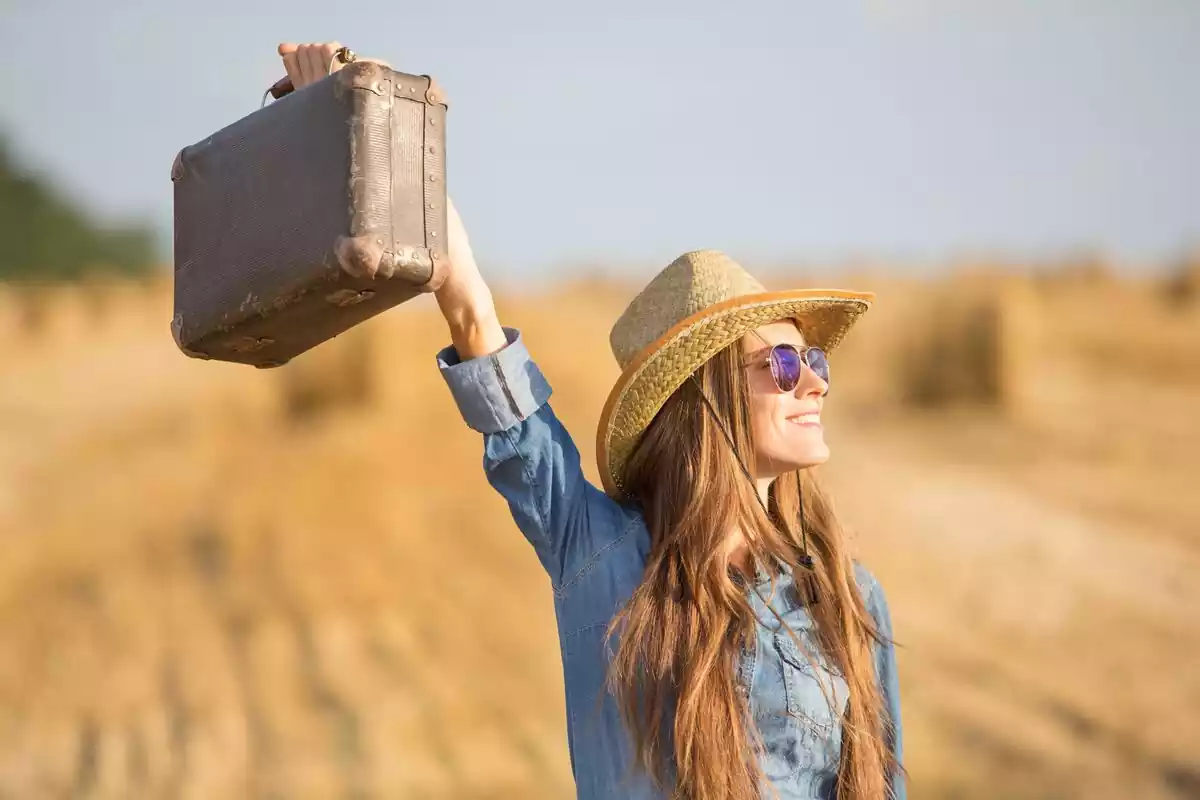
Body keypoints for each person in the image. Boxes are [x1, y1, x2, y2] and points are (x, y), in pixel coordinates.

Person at [278, 42, 906, 800]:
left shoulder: (846, 595)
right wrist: (357, 116)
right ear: (705, 401)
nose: (812, 382)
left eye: (815, 363)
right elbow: (480, 332)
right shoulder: (605, 562)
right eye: (780, 364)